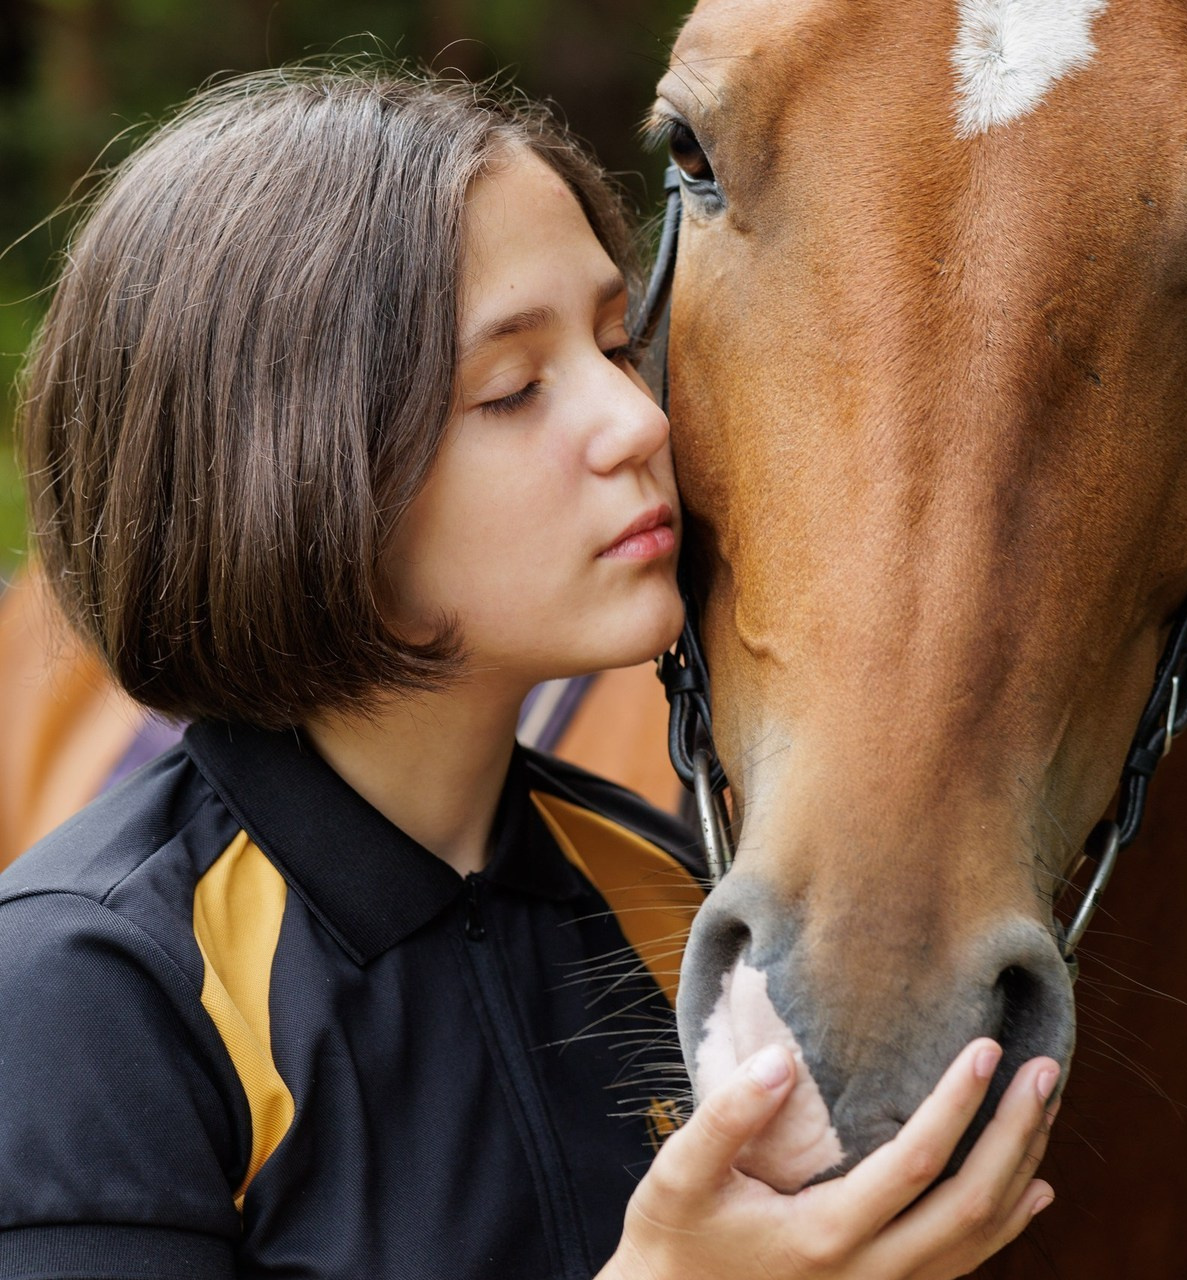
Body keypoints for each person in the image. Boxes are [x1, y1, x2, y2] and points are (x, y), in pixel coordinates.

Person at [0, 65, 1058, 1280]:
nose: (636, 421)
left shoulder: (662, 900)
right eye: (511, 389)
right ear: (285, 471)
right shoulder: (86, 989)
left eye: (616, 343)